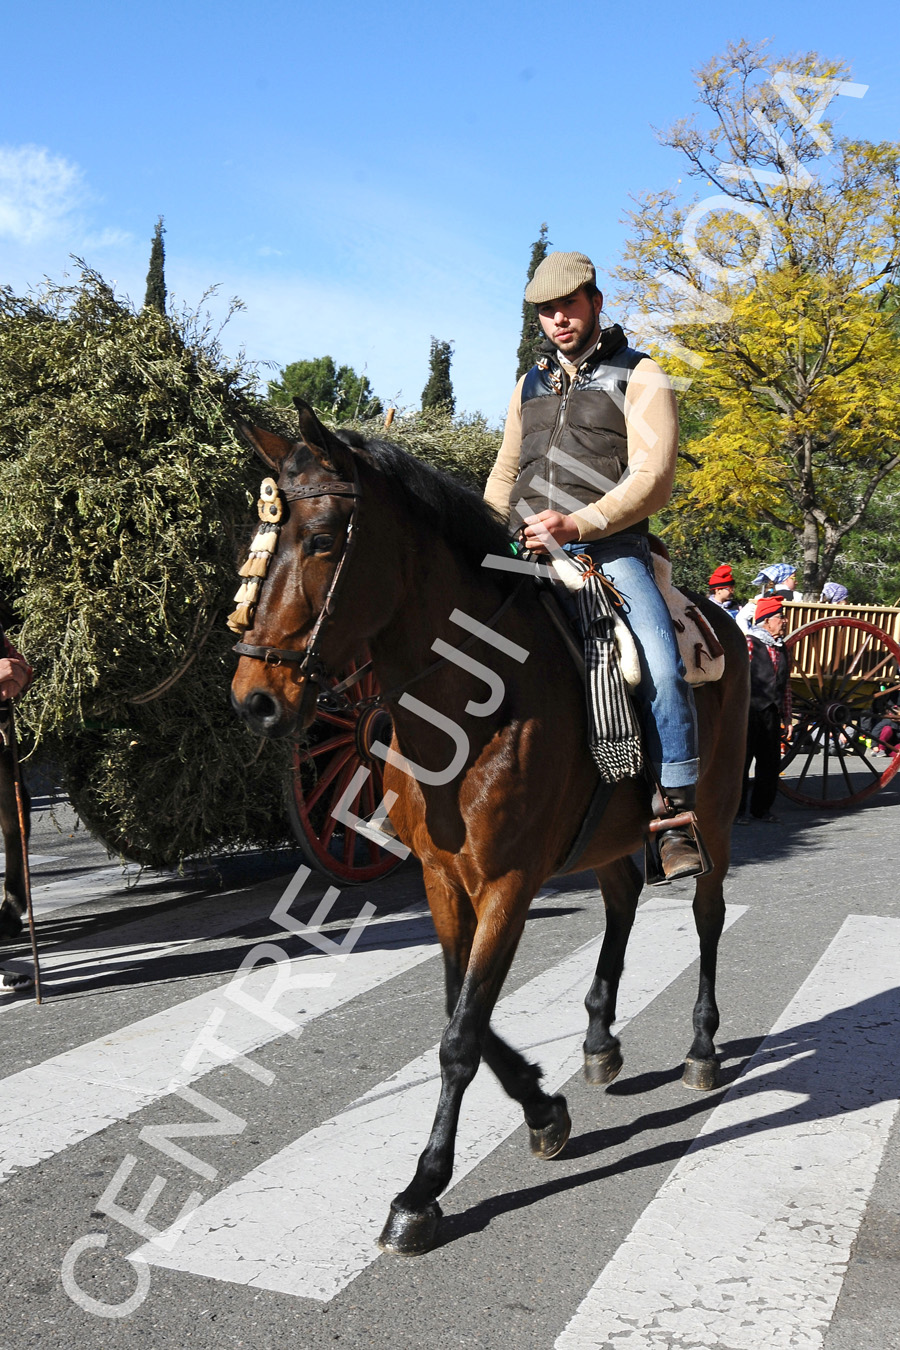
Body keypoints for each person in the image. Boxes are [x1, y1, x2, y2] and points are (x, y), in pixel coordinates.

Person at [483, 250, 703, 880]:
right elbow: (504, 473)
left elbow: (653, 480)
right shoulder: (527, 385)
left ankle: (676, 815)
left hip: (608, 551)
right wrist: (488, 533)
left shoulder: (642, 374)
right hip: (524, 552)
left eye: (569, 306)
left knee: (659, 663)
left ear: (595, 302)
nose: (558, 319)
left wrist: (577, 524)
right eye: (546, 311)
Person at [740, 595, 792, 823]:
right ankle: (737, 812)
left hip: (771, 712)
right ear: (766, 620)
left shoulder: (782, 648)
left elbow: (785, 686)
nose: (785, 621)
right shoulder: (750, 643)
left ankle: (762, 809)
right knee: (742, 763)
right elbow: (739, 679)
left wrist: (788, 718)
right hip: (748, 711)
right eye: (780, 617)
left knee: (770, 763)